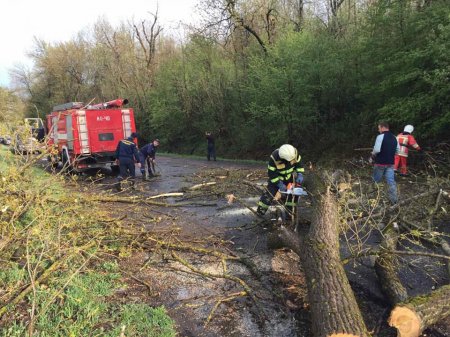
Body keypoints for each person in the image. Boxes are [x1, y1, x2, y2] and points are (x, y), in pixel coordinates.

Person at [256, 144, 305, 216]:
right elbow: (271, 174)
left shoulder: (294, 153)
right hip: (277, 178)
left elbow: (299, 165)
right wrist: (279, 183)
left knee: (293, 194)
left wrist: (300, 174)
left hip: (289, 178)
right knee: (269, 193)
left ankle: (289, 213)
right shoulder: (274, 158)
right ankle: (261, 211)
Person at [370, 122, 399, 205]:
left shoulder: (380, 137)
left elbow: (376, 150)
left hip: (380, 163)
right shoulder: (395, 137)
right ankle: (394, 201)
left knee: (376, 181)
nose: (378, 130)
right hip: (390, 163)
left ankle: (373, 200)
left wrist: (371, 157)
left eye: (379, 128)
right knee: (391, 182)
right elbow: (397, 151)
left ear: (383, 128)